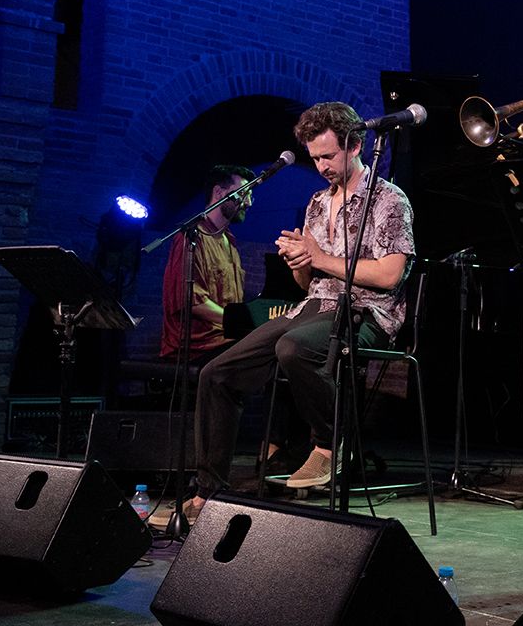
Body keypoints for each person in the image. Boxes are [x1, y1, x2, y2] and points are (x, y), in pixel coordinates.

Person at [189, 102, 414, 518]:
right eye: (316, 158)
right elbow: (308, 284)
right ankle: (209, 491)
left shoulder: (388, 199)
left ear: (356, 145)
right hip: (315, 307)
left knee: (294, 347)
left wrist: (320, 259)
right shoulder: (315, 203)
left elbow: (389, 276)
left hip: (368, 314)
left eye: (329, 156)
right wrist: (301, 263)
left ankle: (330, 443)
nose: (322, 166)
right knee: (216, 373)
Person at [160, 165, 254, 358]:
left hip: (225, 339)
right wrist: (241, 322)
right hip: (197, 347)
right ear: (219, 192)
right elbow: (191, 301)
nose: (249, 203)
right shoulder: (191, 236)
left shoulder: (231, 243)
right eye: (244, 193)